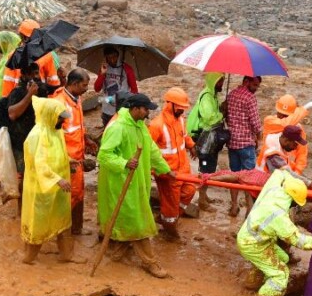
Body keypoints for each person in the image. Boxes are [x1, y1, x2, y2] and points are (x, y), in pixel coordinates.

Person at [238, 169, 312, 296]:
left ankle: (253, 280)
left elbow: (281, 172)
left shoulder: (275, 187)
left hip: (252, 236)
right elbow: (298, 240)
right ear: (292, 201)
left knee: (283, 257)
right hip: (253, 244)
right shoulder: (279, 216)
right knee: (281, 275)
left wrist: (304, 182)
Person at [96, 93, 173, 278]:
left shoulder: (139, 126)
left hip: (137, 181)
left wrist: (165, 169)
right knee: (138, 223)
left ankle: (116, 254)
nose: (148, 113)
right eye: (146, 109)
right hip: (121, 183)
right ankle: (150, 262)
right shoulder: (118, 127)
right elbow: (104, 155)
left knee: (127, 220)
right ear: (135, 108)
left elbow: (151, 149)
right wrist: (124, 163)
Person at [20, 96, 81, 264]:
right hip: (41, 189)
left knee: (63, 222)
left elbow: (57, 153)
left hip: (59, 187)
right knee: (38, 225)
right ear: (51, 116)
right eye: (60, 118)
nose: (63, 122)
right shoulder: (37, 135)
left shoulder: (56, 131)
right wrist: (57, 180)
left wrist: (68, 160)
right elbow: (39, 164)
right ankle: (28, 259)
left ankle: (66, 256)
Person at [148, 87, 197, 241]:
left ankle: (167, 219)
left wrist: (192, 146)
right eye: (180, 108)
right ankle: (171, 232)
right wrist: (154, 170)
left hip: (183, 169)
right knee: (171, 204)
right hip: (168, 173)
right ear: (170, 104)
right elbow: (148, 149)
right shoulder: (157, 125)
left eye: (184, 109)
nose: (182, 111)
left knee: (189, 191)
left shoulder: (181, 120)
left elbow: (185, 136)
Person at [53, 67, 97, 234]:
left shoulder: (76, 99)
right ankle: (62, 232)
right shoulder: (59, 103)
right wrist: (65, 160)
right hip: (66, 161)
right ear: (74, 84)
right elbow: (53, 136)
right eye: (84, 85)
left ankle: (75, 229)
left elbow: (77, 126)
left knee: (78, 193)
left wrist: (86, 140)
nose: (87, 89)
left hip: (77, 157)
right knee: (67, 197)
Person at [255, 94, 312, 174]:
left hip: (288, 172)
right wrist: (303, 109)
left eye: (286, 115)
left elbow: (302, 155)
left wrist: (297, 172)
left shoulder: (298, 130)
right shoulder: (270, 121)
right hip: (265, 172)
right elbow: (285, 124)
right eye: (280, 113)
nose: (281, 116)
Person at [1, 19, 61, 97]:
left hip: (20, 98)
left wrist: (7, 102)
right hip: (39, 98)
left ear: (22, 36)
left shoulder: (14, 55)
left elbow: (8, 82)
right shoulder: (46, 54)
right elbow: (53, 81)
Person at [186, 72, 225, 173]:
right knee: (205, 163)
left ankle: (204, 182)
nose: (222, 84)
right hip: (205, 136)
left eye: (222, 81)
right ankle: (202, 183)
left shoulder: (213, 96)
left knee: (209, 163)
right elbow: (209, 118)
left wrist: (220, 109)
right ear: (213, 81)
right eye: (219, 81)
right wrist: (221, 114)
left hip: (209, 136)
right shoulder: (207, 96)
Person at [224, 75, 262, 171]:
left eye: (257, 86)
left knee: (234, 174)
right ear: (246, 81)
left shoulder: (231, 94)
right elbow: (256, 123)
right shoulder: (250, 98)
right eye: (254, 85)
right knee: (248, 177)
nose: (256, 88)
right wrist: (259, 138)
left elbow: (226, 116)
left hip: (232, 142)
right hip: (246, 143)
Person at [94, 45, 138, 126]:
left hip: (122, 108)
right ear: (105, 57)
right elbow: (97, 88)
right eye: (109, 57)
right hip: (107, 107)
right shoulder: (104, 68)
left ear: (118, 56)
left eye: (114, 57)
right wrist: (102, 74)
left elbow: (134, 90)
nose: (112, 60)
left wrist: (131, 105)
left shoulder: (127, 68)